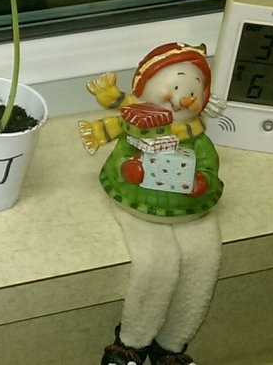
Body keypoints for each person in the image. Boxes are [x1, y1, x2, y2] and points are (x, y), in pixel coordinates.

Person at [79, 42, 224, 365]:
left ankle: (171, 347)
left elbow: (211, 171)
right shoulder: (137, 131)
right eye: (175, 85)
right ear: (144, 89)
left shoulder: (198, 141)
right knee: (155, 264)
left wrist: (202, 183)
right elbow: (121, 161)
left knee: (202, 262)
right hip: (138, 206)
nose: (185, 96)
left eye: (194, 89)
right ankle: (130, 344)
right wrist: (132, 170)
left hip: (188, 212)